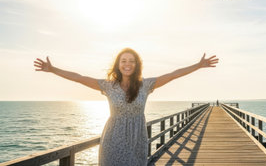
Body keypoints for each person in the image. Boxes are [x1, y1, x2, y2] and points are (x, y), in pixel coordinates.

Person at [34, 48, 219, 166]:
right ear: (118, 65)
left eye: (131, 61)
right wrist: (53, 69)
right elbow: (79, 78)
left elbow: (173, 74)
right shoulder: (108, 86)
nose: (127, 64)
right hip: (113, 140)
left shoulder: (146, 85)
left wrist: (198, 65)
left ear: (136, 65)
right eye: (123, 61)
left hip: (137, 139)